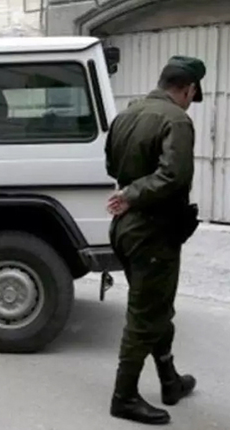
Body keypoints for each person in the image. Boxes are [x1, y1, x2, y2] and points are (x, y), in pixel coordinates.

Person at [105, 56, 206, 425]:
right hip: (152, 231)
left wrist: (129, 190)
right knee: (145, 314)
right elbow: (175, 175)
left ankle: (169, 379)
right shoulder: (175, 119)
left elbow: (111, 166)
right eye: (192, 96)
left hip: (126, 229)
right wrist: (134, 194)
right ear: (188, 89)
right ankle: (124, 397)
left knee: (155, 305)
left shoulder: (127, 114)